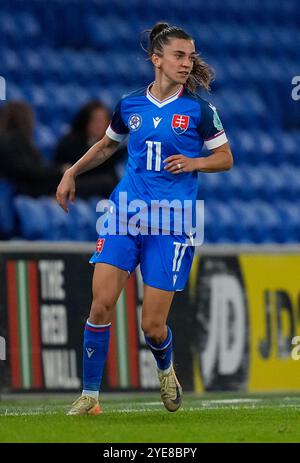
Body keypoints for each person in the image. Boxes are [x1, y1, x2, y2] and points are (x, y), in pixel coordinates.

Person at [56, 22, 233, 416]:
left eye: (190, 57)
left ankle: (165, 368)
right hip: (125, 215)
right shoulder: (130, 105)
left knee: (152, 326)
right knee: (100, 305)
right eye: (179, 56)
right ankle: (90, 396)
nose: (187, 63)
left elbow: (226, 158)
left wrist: (194, 161)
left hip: (171, 224)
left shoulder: (200, 111)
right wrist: (71, 173)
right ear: (157, 59)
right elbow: (105, 147)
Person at [54, 101, 127, 198]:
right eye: (95, 121)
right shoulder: (69, 142)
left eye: (103, 121)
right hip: (75, 186)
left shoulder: (112, 148)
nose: (99, 125)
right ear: (86, 121)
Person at [0, 101, 63, 197]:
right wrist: (60, 170)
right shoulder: (13, 141)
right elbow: (29, 170)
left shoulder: (15, 139)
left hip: (28, 184)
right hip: (24, 188)